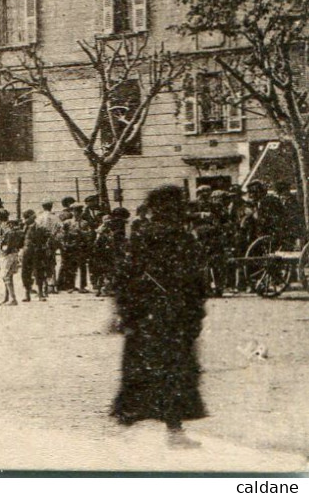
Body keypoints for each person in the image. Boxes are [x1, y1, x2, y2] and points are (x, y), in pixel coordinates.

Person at [112, 185, 208, 448]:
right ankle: (174, 431)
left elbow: (122, 278)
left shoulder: (139, 239)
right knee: (175, 374)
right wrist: (195, 316)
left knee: (140, 372)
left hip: (145, 318)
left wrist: (125, 313)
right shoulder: (185, 240)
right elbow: (197, 284)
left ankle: (126, 432)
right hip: (174, 319)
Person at [21, 209, 52, 301]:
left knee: (39, 272)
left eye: (27, 217)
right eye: (25, 218)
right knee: (25, 273)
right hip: (26, 252)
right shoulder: (23, 227)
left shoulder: (40, 227)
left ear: (33, 217)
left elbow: (48, 236)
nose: (25, 220)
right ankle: (27, 293)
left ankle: (40, 294)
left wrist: (44, 246)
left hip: (37, 252)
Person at [0, 210, 22, 305]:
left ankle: (12, 298)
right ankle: (7, 297)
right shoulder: (11, 225)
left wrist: (4, 248)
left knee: (6, 276)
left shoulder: (3, 226)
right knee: (8, 275)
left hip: (6, 254)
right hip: (13, 252)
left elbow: (7, 237)